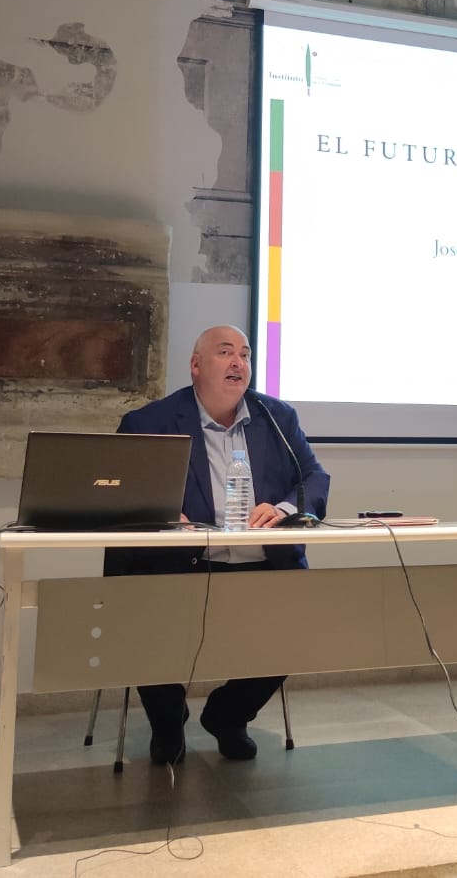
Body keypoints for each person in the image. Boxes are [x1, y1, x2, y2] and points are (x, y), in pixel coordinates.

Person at [105, 324, 330, 764]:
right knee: (151, 626)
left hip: (264, 567)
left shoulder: (278, 418)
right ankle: (167, 723)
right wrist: (161, 515)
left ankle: (228, 716)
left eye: (245, 354)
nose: (238, 363)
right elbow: (121, 491)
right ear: (195, 366)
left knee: (298, 629)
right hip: (181, 566)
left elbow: (314, 477)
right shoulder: (148, 423)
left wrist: (284, 508)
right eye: (225, 352)